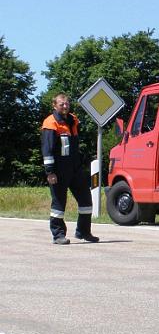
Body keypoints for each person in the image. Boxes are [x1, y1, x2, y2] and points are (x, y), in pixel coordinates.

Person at [41, 93, 99, 244]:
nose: (65, 106)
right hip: (59, 170)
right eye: (62, 104)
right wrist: (50, 172)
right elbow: (47, 151)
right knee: (59, 205)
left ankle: (84, 232)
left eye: (67, 103)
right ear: (54, 105)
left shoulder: (72, 120)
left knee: (86, 201)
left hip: (75, 168)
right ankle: (58, 235)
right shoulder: (50, 123)